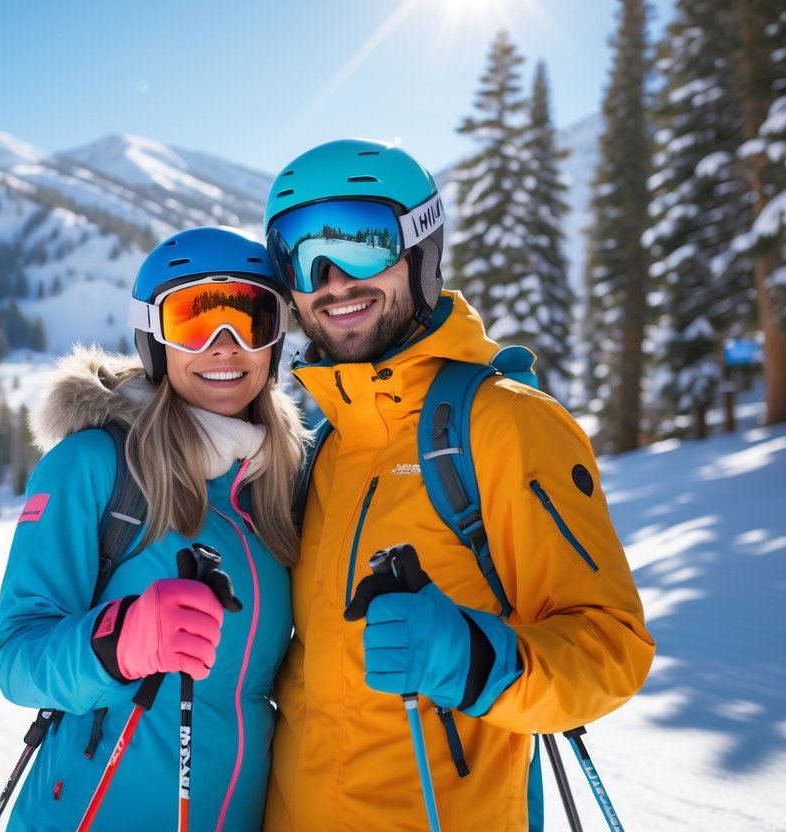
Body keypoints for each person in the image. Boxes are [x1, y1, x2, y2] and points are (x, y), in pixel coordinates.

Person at [259, 139, 656, 831]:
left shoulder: (505, 425)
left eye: (361, 239)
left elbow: (610, 650)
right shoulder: (323, 450)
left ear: (421, 249)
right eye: (299, 251)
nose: (331, 278)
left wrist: (475, 662)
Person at [0, 226, 307, 831]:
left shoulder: (280, 481)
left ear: (274, 341)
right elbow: (16, 657)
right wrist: (118, 641)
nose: (224, 345)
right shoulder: (96, 465)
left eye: (250, 317)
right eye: (193, 320)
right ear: (154, 338)